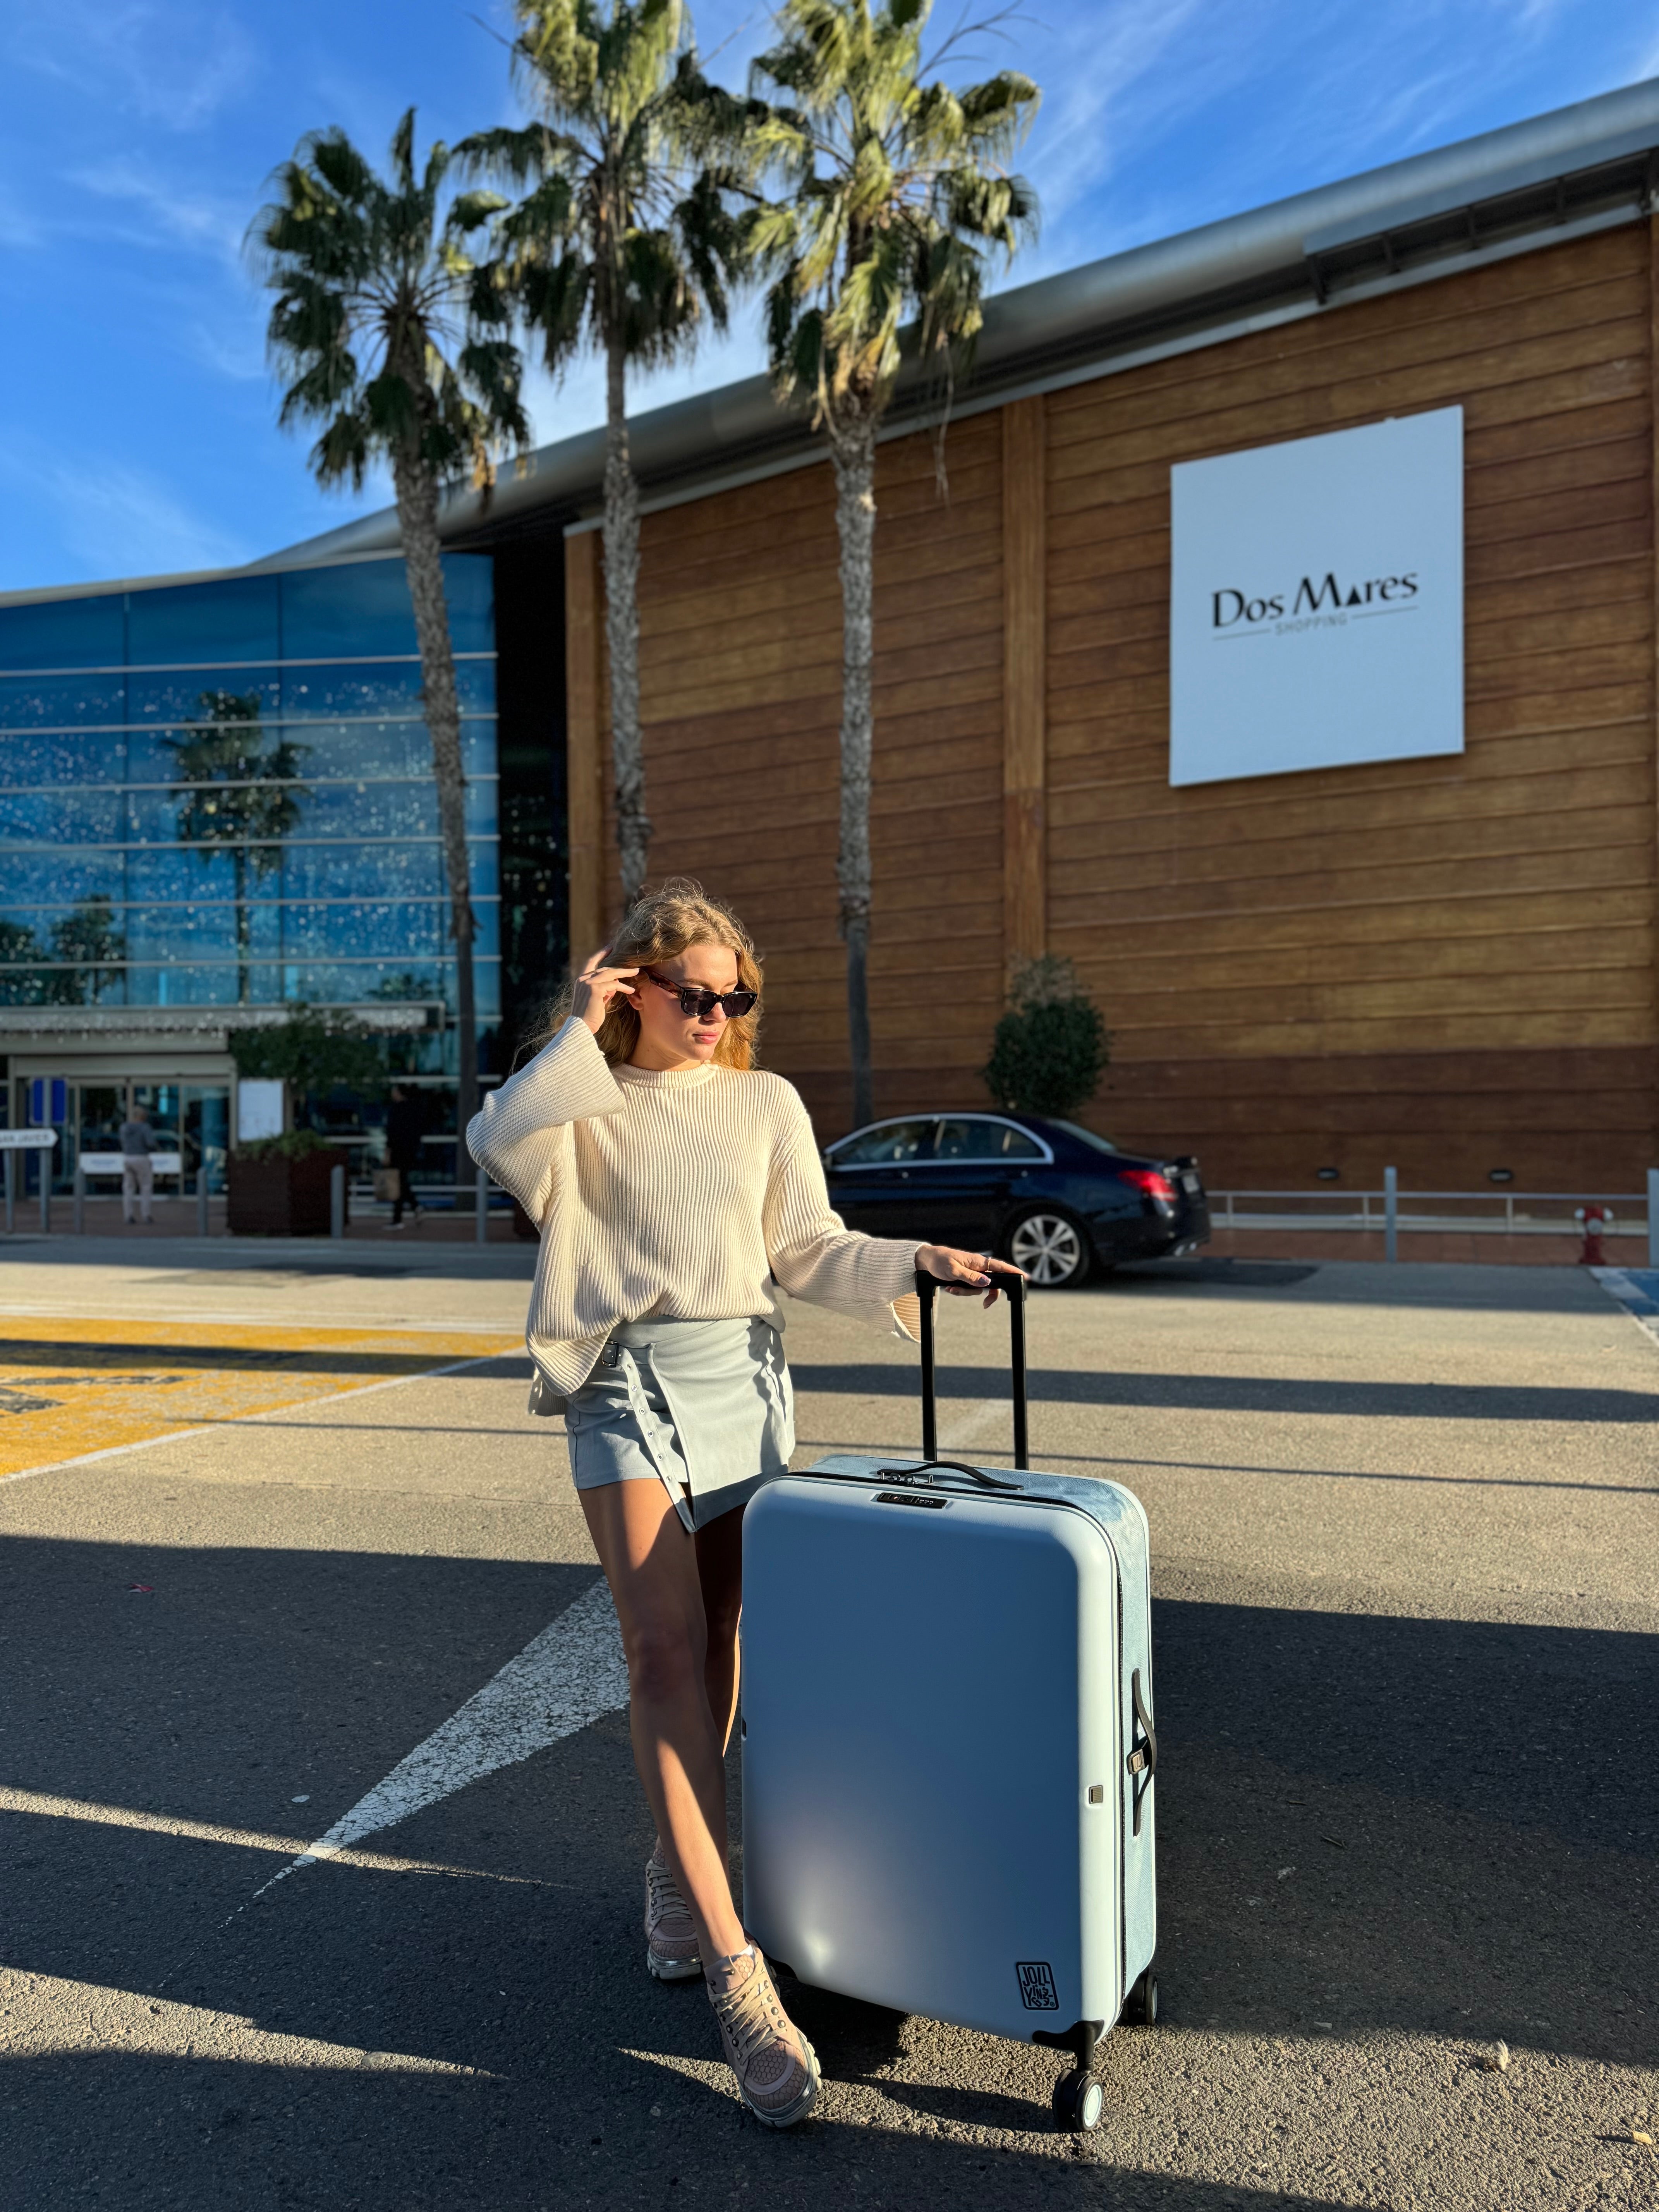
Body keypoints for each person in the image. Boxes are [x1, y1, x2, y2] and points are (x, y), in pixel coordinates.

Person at [466, 880, 1022, 2130]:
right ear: (637, 985)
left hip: (745, 1384)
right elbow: (497, 1142)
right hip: (624, 1385)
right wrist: (579, 1024)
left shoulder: (766, 1103)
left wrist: (917, 1260)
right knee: (660, 1652)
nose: (716, 1013)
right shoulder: (580, 1100)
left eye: (735, 995)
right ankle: (737, 1975)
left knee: (720, 1645)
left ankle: (678, 1867)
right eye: (693, 992)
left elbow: (808, 1247)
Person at [384, 1084, 424, 1229]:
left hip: (398, 1152)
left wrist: (387, 1153)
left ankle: (402, 1215)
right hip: (409, 1152)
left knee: (399, 1183)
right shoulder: (414, 1110)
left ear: (399, 1093)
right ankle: (411, 1210)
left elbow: (392, 1133)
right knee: (401, 1182)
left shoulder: (396, 1110)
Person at [117, 1103, 163, 1226]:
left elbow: (122, 1141)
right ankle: (146, 1215)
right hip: (142, 1157)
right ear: (143, 1116)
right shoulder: (145, 1127)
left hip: (128, 1157)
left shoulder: (124, 1127)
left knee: (128, 1188)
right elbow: (150, 1143)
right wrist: (156, 1148)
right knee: (146, 1187)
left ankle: (128, 1215)